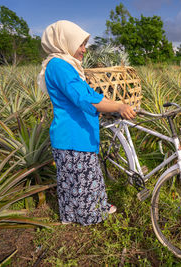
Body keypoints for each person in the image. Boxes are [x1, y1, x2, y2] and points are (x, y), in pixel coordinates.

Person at [37, 20, 136, 225]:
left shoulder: (67, 65)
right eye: (81, 44)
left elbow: (91, 94)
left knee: (84, 178)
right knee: (80, 180)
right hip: (72, 135)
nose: (84, 49)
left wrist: (117, 103)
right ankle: (88, 217)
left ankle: (91, 208)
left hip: (78, 133)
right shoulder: (59, 66)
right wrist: (117, 107)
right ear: (66, 41)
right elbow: (83, 97)